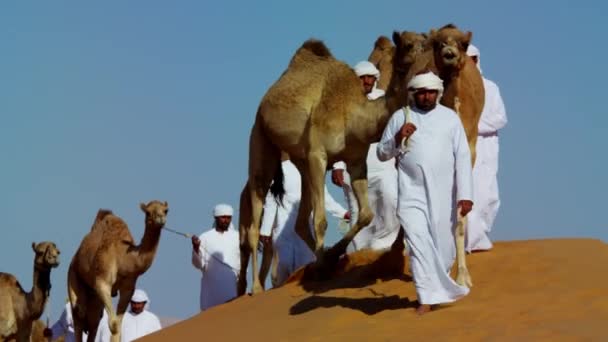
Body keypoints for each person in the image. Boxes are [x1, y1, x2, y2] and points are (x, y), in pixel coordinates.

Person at [376, 71, 473, 315]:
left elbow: (462, 156)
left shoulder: (450, 118)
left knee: (443, 246)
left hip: (444, 194)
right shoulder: (401, 117)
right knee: (418, 243)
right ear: (414, 94)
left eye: (431, 92)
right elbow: (382, 153)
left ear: (438, 94)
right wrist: (398, 137)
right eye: (421, 92)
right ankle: (425, 298)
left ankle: (439, 290)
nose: (426, 96)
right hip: (411, 193)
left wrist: (466, 194)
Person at [331, 60, 400, 251]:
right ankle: (361, 253)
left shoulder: (385, 101)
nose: (367, 81)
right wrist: (337, 166)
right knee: (358, 211)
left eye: (371, 77)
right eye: (363, 77)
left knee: (390, 200)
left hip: (382, 163)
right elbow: (336, 133)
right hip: (352, 166)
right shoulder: (343, 102)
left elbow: (395, 129)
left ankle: (384, 247)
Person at [260, 153, 349, 286]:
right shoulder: (279, 169)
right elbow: (271, 200)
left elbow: (323, 197)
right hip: (284, 230)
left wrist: (343, 213)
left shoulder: (311, 168)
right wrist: (266, 229)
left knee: (305, 269)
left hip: (306, 231)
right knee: (284, 265)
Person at [465, 44, 508, 252]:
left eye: (473, 59)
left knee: (489, 195)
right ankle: (472, 240)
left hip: (487, 145)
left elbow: (501, 118)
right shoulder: (455, 88)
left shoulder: (491, 87)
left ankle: (481, 233)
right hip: (466, 145)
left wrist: (474, 125)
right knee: (470, 192)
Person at [191, 204, 241, 311]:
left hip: (232, 287)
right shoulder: (205, 237)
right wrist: (196, 248)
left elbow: (242, 262)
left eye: (228, 218)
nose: (226, 220)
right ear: (216, 217)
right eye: (223, 217)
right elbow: (198, 264)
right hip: (211, 290)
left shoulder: (237, 236)